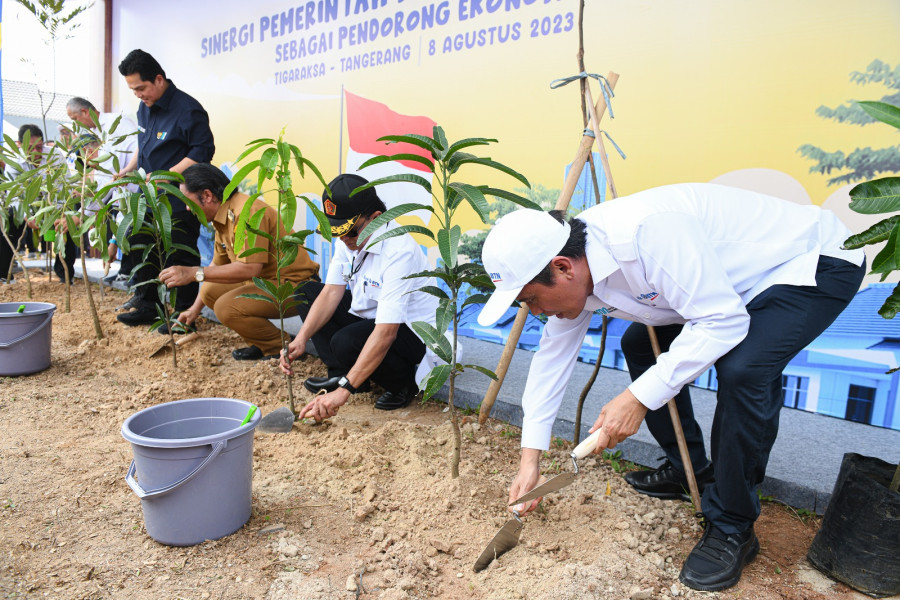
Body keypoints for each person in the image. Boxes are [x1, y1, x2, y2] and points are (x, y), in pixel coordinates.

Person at [477, 183, 865, 592]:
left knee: (745, 369)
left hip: (808, 260)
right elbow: (550, 362)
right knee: (640, 344)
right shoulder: (573, 273)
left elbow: (723, 321)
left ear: (563, 267)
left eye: (532, 299)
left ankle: (732, 525)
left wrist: (638, 398)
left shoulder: (646, 236)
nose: (536, 311)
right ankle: (689, 469)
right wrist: (530, 461)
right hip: (729, 281)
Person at [279, 174, 438, 417]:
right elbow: (331, 292)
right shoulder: (349, 241)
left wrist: (343, 393)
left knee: (346, 341)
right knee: (306, 293)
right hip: (372, 317)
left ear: (375, 218)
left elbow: (386, 332)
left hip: (412, 330)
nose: (344, 239)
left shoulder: (399, 251)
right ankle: (344, 375)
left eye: (351, 232)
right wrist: (301, 338)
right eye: (337, 232)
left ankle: (402, 385)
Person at [158, 163, 320, 359]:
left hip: (296, 286)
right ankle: (259, 342)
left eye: (188, 201)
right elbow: (217, 265)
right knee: (209, 290)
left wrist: (192, 273)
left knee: (226, 307)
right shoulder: (222, 216)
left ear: (207, 196)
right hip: (264, 282)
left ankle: (282, 349)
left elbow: (250, 268)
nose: (186, 208)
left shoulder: (246, 212)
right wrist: (194, 310)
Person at [115, 48, 215, 326]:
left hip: (178, 193)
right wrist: (129, 168)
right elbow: (144, 143)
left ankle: (183, 315)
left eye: (141, 88)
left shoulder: (188, 110)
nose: (138, 94)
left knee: (180, 248)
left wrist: (167, 175)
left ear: (159, 79)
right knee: (139, 239)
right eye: (133, 90)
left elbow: (202, 151)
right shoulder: (144, 108)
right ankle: (148, 303)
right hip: (148, 192)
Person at [65, 96, 139, 282]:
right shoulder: (99, 132)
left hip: (139, 194)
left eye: (75, 119)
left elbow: (108, 179)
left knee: (138, 242)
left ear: (85, 111)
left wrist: (81, 214)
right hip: (126, 198)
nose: (76, 125)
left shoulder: (117, 125)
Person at [1, 124, 77, 284]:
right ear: (20, 145)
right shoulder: (14, 161)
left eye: (40, 147)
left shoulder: (55, 155)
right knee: (8, 220)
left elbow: (65, 185)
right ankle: (4, 273)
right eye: (31, 148)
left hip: (53, 203)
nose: (36, 152)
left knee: (69, 221)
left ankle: (65, 274)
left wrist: (59, 212)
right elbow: (14, 194)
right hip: (25, 204)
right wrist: (27, 215)